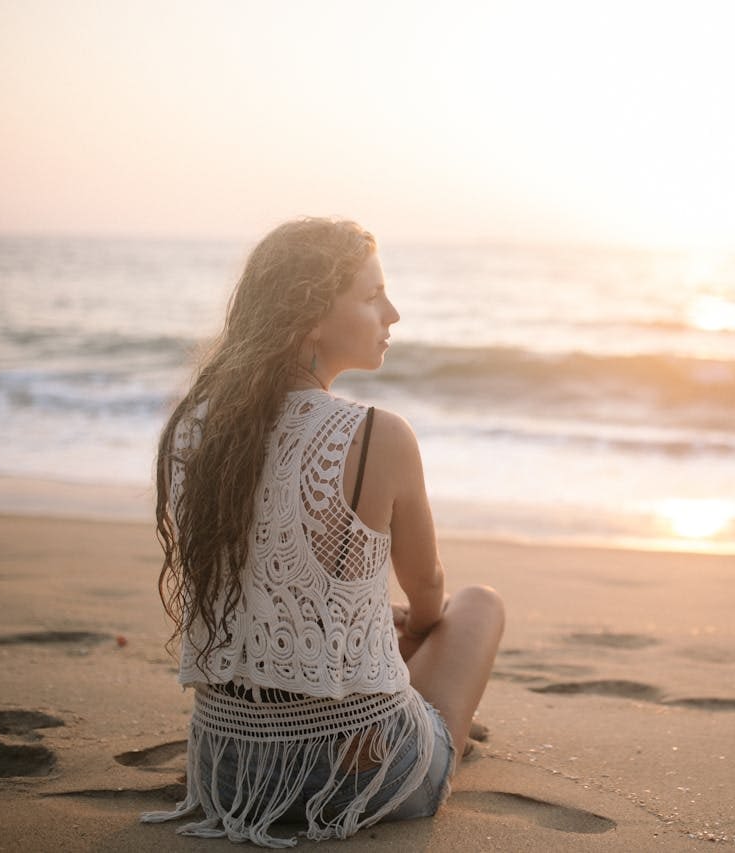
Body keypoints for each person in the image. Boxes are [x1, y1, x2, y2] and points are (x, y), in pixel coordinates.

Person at [141, 218, 505, 847]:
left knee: (374, 623)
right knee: (476, 606)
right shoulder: (378, 435)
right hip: (363, 773)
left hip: (225, 776)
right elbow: (429, 588)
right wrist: (418, 630)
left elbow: (261, 571)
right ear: (309, 316)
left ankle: (424, 704)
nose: (393, 313)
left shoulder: (193, 428)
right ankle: (448, 732)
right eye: (371, 296)